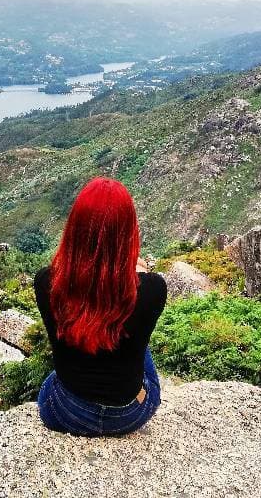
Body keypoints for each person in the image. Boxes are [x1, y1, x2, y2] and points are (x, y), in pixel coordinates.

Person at [34, 177, 167, 436]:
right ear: (128, 231)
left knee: (52, 380)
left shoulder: (46, 282)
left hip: (66, 412)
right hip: (129, 414)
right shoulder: (153, 289)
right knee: (134, 325)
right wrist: (136, 272)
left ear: (75, 228)